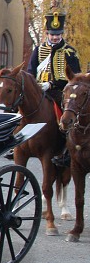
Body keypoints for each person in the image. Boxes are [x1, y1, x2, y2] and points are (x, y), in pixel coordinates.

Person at [27, 10, 81, 167]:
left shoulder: (69, 52)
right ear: (47, 33)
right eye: (52, 34)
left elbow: (75, 77)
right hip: (38, 89)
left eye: (58, 34)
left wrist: (51, 84)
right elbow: (31, 70)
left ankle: (66, 149)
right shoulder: (38, 50)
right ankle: (16, 140)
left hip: (60, 90)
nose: (55, 37)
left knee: (68, 113)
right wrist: (33, 85)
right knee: (22, 106)